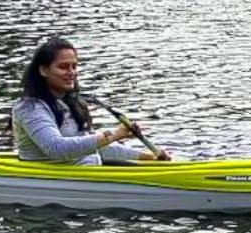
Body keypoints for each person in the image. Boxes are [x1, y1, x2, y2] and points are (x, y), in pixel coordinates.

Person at [12, 38, 169, 165]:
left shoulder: (71, 102)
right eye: (63, 67)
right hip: (62, 177)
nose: (71, 72)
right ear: (43, 70)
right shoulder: (29, 108)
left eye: (74, 66)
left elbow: (95, 147)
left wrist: (147, 157)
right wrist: (113, 135)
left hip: (88, 169)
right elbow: (56, 148)